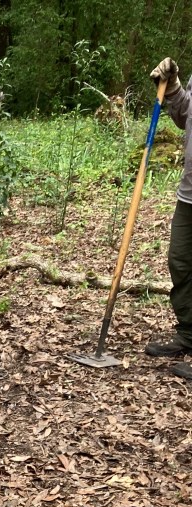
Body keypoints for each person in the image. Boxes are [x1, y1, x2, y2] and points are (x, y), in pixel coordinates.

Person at [145, 58, 192, 380]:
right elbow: (186, 117)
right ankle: (189, 333)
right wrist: (173, 87)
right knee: (181, 261)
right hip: (190, 193)